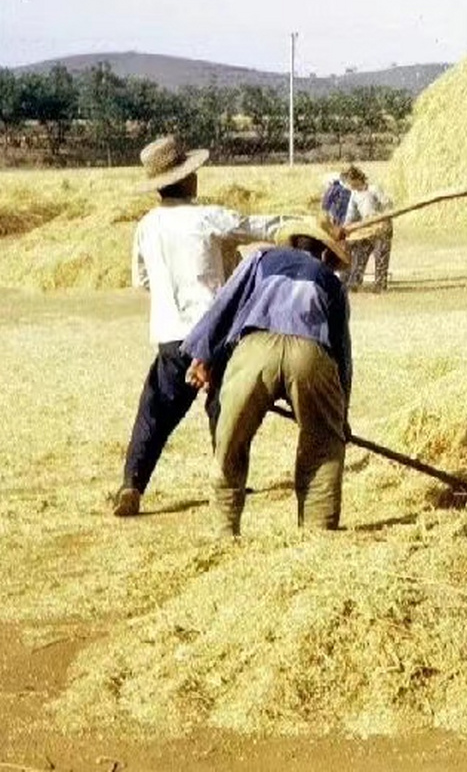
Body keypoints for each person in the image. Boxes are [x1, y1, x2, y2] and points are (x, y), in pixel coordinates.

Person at [113, 135, 287, 518]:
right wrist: (299, 226)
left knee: (154, 413)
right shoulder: (206, 217)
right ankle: (227, 480)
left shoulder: (146, 226)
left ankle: (132, 485)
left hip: (171, 339)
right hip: (215, 332)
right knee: (224, 408)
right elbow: (256, 226)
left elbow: (141, 280)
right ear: (188, 179)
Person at [184, 218, 354, 537]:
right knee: (323, 444)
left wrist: (204, 357)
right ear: (325, 254)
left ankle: (224, 532)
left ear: (291, 243)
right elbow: (341, 353)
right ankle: (318, 534)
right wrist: (339, 415)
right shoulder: (331, 282)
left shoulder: (262, 259)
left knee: (231, 441)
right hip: (310, 353)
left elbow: (225, 307)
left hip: (255, 352)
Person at [323, 165, 395, 292]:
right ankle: (355, 282)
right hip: (367, 230)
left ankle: (380, 285)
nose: (349, 185)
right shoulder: (354, 195)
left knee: (380, 257)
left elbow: (388, 204)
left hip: (382, 228)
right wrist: (344, 228)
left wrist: (380, 216)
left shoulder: (374, 189)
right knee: (360, 254)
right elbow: (351, 215)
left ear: (356, 179)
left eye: (350, 182)